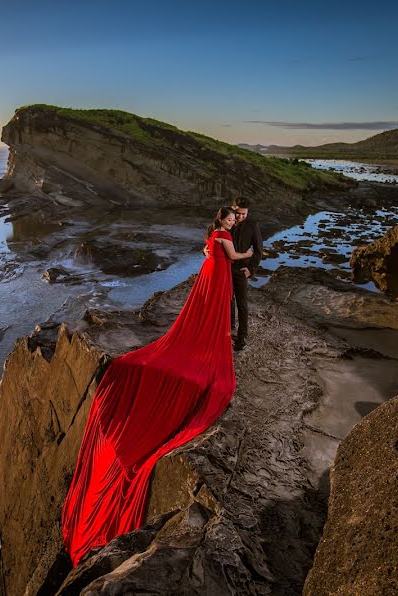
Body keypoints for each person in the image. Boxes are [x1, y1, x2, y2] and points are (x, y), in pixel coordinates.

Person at [61, 206, 253, 567]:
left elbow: (209, 253)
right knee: (215, 314)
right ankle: (213, 341)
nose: (231, 222)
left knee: (207, 310)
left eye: (233, 218)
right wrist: (250, 255)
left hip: (209, 274)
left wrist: (227, 247)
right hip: (219, 273)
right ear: (224, 220)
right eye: (229, 218)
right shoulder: (224, 237)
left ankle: (208, 337)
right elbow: (233, 255)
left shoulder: (212, 234)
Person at [204, 197, 263, 351]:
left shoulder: (252, 225)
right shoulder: (226, 221)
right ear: (233, 208)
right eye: (238, 213)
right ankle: (228, 330)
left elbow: (258, 251)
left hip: (241, 270)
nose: (241, 217)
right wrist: (205, 250)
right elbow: (211, 240)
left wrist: (251, 270)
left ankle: (242, 337)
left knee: (242, 303)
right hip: (224, 269)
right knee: (227, 300)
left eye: (244, 214)